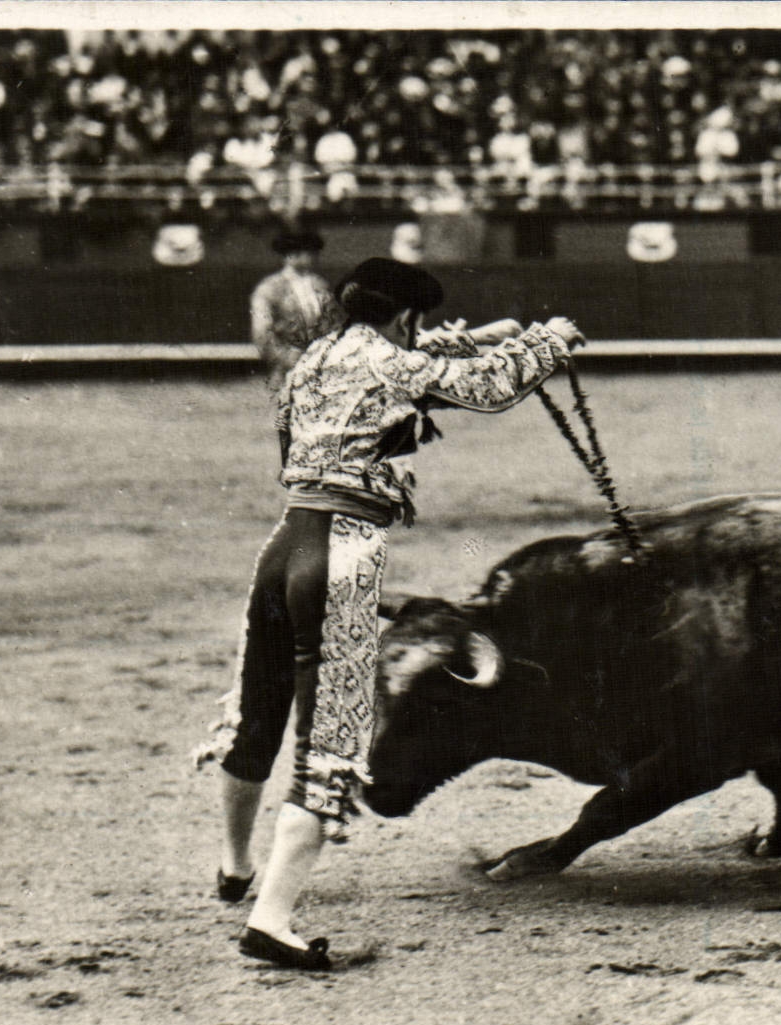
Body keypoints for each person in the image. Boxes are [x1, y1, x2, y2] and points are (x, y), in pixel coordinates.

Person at [193, 257, 586, 970]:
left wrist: (482, 336)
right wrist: (547, 342)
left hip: (284, 545)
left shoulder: (317, 356)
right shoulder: (389, 358)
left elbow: (412, 362)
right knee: (331, 739)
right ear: (403, 316)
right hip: (342, 553)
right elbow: (486, 389)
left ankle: (234, 866)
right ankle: (272, 920)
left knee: (257, 712)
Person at [249, 229, 344, 394]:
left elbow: (334, 324)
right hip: (288, 371)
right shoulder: (270, 288)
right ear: (289, 255)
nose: (311, 257)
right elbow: (261, 332)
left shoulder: (320, 285)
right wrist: (284, 358)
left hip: (323, 369)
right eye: (305, 252)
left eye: (311, 252)